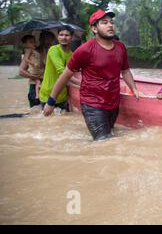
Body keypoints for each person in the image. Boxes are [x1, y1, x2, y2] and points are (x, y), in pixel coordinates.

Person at [43, 9, 139, 141]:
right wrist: (50, 102)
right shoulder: (85, 50)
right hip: (92, 103)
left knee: (111, 137)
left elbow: (126, 71)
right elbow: (64, 76)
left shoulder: (120, 47)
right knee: (104, 141)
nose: (110, 25)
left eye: (111, 22)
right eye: (104, 23)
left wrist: (134, 88)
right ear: (94, 28)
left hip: (113, 102)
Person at [39, 28, 79, 111]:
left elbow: (72, 74)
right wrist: (82, 83)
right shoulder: (53, 50)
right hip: (48, 95)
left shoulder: (71, 55)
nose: (64, 37)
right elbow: (62, 73)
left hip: (63, 96)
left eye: (67, 35)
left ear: (72, 38)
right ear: (58, 37)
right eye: (61, 35)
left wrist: (69, 95)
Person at [20, 35, 44, 106]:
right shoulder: (29, 51)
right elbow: (21, 71)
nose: (34, 43)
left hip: (44, 83)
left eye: (34, 42)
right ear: (25, 44)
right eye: (31, 42)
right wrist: (33, 64)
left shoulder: (38, 51)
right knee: (36, 109)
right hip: (35, 81)